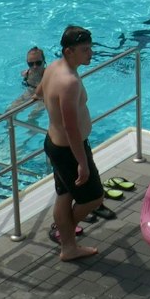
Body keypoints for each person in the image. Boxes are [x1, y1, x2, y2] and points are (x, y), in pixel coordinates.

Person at [37, 25, 102, 262]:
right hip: (68, 150)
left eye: (90, 49)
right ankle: (65, 237)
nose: (90, 54)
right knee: (93, 197)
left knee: (64, 195)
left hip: (54, 144)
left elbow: (39, 92)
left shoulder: (53, 68)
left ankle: (68, 245)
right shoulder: (69, 82)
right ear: (69, 51)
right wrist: (82, 162)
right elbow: (70, 126)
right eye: (85, 50)